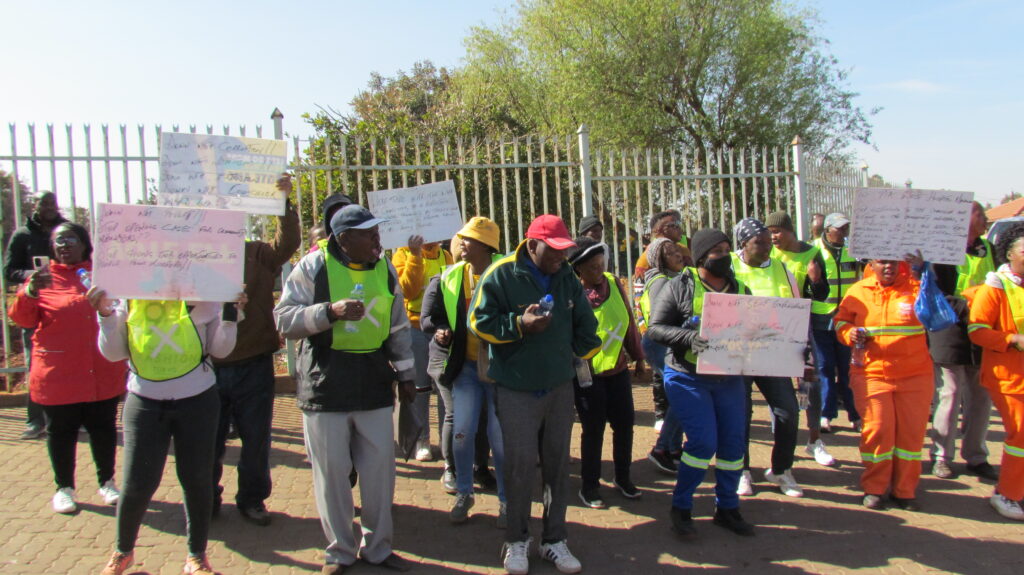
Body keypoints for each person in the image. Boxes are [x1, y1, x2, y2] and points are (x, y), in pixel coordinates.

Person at [275, 204, 416, 573]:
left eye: (376, 232)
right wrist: (329, 312)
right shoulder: (312, 266)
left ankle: (378, 549)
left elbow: (398, 325)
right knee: (332, 474)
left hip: (372, 384)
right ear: (343, 239)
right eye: (368, 233)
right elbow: (284, 319)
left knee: (379, 474)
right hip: (325, 386)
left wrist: (405, 376)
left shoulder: (384, 268)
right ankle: (339, 551)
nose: (376, 239)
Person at [468, 214, 601, 575]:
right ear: (531, 245)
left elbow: (586, 325)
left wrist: (579, 351)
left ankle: (554, 540)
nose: (561, 257)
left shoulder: (567, 278)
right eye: (554, 250)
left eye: (564, 250)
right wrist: (519, 324)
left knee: (557, 465)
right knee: (520, 466)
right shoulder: (501, 275)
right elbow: (477, 322)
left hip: (558, 387)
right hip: (516, 388)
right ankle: (517, 540)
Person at [91, 289, 245, 574]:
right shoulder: (130, 294)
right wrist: (105, 314)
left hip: (197, 400)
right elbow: (113, 353)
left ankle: (196, 557)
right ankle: (122, 552)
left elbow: (222, 349)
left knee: (197, 479)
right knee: (137, 483)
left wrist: (230, 312)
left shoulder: (207, 294)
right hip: (145, 401)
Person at [8, 222, 127, 514]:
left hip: (100, 370)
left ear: (85, 244)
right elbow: (22, 320)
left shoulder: (103, 276)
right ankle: (64, 488)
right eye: (59, 241)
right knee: (61, 432)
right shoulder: (41, 280)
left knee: (103, 429)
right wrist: (29, 295)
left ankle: (107, 482)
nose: (65, 245)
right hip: (59, 374)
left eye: (71, 239)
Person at [647, 228, 755, 539]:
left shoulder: (740, 288)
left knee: (734, 444)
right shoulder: (680, 285)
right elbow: (656, 329)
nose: (725, 256)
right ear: (702, 257)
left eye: (727, 249)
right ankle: (681, 508)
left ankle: (727, 508)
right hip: (687, 376)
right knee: (703, 442)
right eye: (717, 251)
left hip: (728, 377)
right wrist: (690, 338)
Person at [211, 175, 301, 526]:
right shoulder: (198, 259)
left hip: (254, 363)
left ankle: (252, 499)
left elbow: (288, 241)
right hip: (208, 366)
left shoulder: (259, 254)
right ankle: (207, 497)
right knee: (209, 441)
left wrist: (283, 201)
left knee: (255, 439)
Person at [421, 217, 507, 525]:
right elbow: (433, 316)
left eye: (468, 239)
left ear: (486, 245)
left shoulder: (507, 272)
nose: (461, 244)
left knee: (500, 437)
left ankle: (507, 502)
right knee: (461, 431)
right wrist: (443, 329)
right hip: (466, 369)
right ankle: (464, 493)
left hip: (499, 369)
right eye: (461, 238)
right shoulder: (451, 276)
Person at [834, 253, 932, 511]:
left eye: (893, 261)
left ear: (902, 263)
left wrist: (923, 271)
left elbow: (935, 314)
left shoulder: (916, 287)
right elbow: (840, 321)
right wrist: (848, 332)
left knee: (910, 438)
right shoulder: (858, 290)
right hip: (871, 374)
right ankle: (875, 488)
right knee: (878, 431)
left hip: (915, 376)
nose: (888, 266)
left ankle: (904, 490)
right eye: (882, 261)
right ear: (872, 265)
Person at [729, 218, 808, 498]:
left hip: (774, 352)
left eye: (767, 241)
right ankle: (741, 470)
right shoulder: (728, 266)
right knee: (740, 413)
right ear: (743, 244)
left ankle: (781, 469)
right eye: (759, 242)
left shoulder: (781, 269)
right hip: (737, 353)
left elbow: (795, 308)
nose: (767, 247)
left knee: (787, 410)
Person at [567, 237, 644, 509]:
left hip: (618, 370)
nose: (598, 271)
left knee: (624, 424)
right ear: (578, 269)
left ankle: (623, 478)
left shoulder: (613, 283)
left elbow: (628, 320)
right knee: (593, 428)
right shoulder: (572, 292)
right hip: (587, 374)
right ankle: (589, 486)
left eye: (600, 264)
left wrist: (638, 356)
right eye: (591, 267)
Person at [927, 201, 998, 481]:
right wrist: (968, 307)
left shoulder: (989, 249)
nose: (986, 219)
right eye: (981, 214)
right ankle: (941, 457)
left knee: (981, 396)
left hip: (983, 332)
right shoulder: (942, 250)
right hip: (949, 329)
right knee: (950, 393)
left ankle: (977, 456)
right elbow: (934, 293)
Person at [765, 211, 836, 467]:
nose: (772, 237)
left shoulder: (810, 253)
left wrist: (815, 281)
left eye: (777, 232)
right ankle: (781, 440)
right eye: (769, 232)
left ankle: (814, 439)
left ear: (789, 231)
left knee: (810, 383)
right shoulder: (768, 254)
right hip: (772, 327)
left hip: (800, 326)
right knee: (778, 385)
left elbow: (820, 292)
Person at [967, 223, 1024, 520]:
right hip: (1008, 377)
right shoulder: (996, 286)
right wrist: (1012, 340)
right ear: (1010, 254)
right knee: (1021, 435)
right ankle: (1007, 494)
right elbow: (977, 331)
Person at [4, 191, 66, 440]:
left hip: (64, 308)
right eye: (44, 204)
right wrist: (32, 276)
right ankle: (35, 421)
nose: (49, 207)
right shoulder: (23, 235)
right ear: (36, 206)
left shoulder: (66, 230)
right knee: (36, 366)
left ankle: (68, 418)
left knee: (66, 365)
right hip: (35, 308)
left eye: (52, 203)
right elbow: (9, 270)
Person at [393, 233, 454, 462]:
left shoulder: (445, 255)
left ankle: (445, 439)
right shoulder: (402, 254)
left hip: (440, 330)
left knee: (443, 387)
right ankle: (422, 440)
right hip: (415, 328)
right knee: (420, 388)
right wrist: (416, 256)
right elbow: (407, 290)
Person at [633, 210, 693, 433]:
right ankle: (662, 416)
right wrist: (643, 327)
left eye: (679, 222)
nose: (678, 227)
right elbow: (640, 298)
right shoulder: (649, 261)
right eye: (672, 224)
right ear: (658, 230)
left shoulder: (684, 249)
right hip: (658, 332)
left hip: (679, 332)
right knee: (664, 375)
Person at [813, 213, 862, 433]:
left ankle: (855, 413)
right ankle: (826, 414)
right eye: (839, 228)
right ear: (828, 229)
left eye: (846, 229)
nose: (843, 233)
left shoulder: (854, 251)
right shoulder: (814, 250)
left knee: (847, 368)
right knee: (824, 367)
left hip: (847, 317)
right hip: (821, 317)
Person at [641, 239, 687, 473]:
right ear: (659, 258)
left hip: (670, 342)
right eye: (670, 252)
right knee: (682, 396)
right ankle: (661, 449)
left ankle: (673, 448)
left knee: (677, 397)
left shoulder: (675, 278)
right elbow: (662, 319)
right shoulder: (660, 281)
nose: (678, 254)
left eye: (677, 250)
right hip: (660, 343)